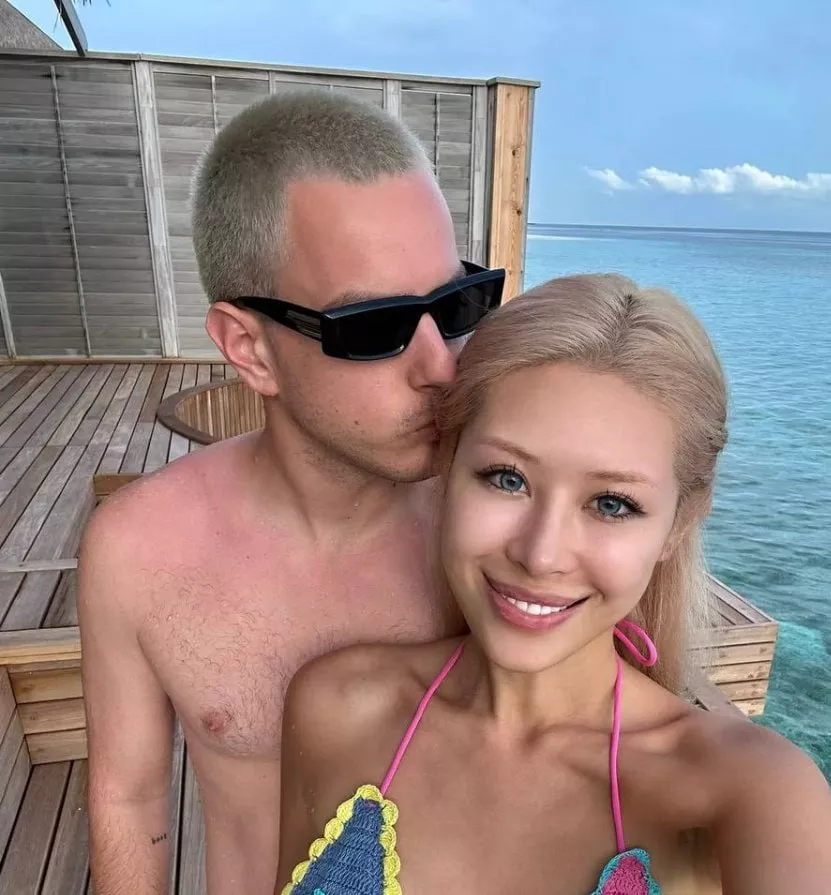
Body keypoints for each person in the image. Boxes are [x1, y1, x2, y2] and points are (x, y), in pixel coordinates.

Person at [277, 274, 831, 895]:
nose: (540, 556)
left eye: (612, 504)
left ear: (679, 524)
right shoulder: (336, 706)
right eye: (507, 478)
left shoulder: (752, 793)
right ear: (448, 468)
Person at [78, 90, 504, 895]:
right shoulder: (139, 549)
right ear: (250, 348)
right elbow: (129, 798)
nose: (441, 367)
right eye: (373, 325)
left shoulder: (500, 529)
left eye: (456, 305)